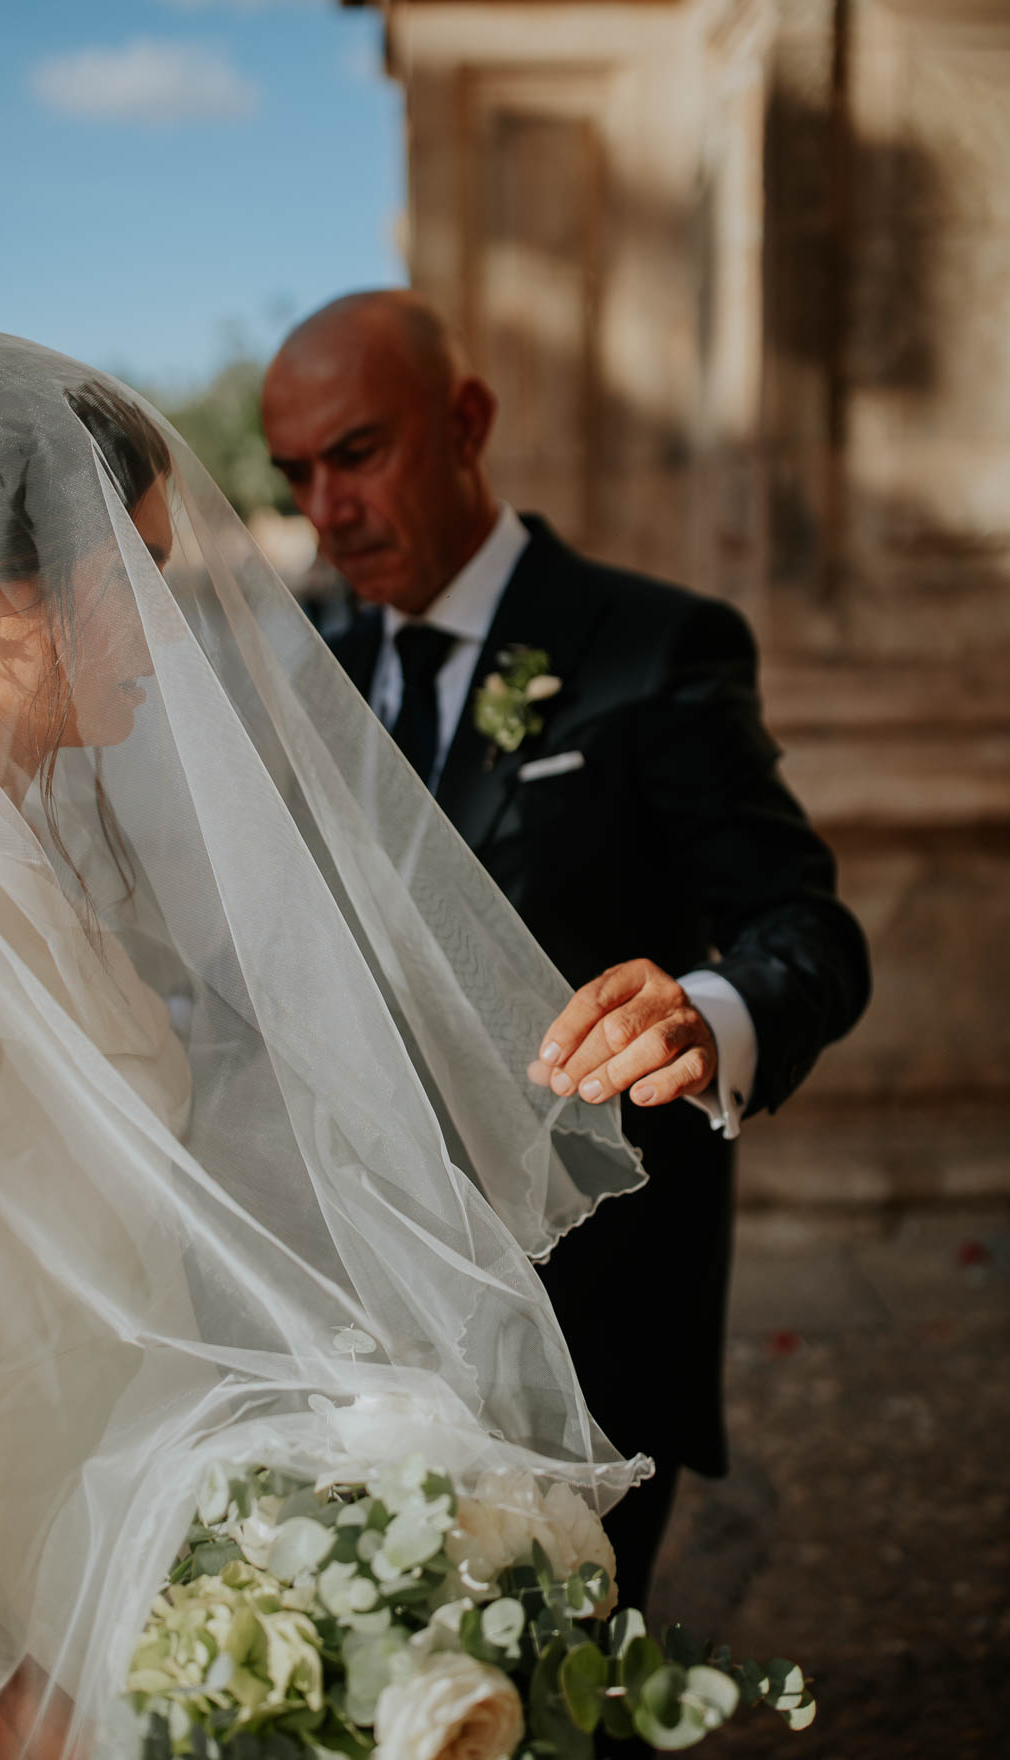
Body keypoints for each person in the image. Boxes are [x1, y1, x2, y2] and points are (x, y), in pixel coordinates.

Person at [0, 328, 653, 1757]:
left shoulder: (20, 870)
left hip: (134, 1568)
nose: (169, 631)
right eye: (129, 581)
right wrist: (16, 1722)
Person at [262, 290, 872, 1609]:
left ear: (466, 422)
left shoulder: (651, 645)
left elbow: (805, 929)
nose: (324, 508)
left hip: (586, 1320)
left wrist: (707, 1013)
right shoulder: (310, 656)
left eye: (355, 453)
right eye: (294, 474)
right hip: (364, 1322)